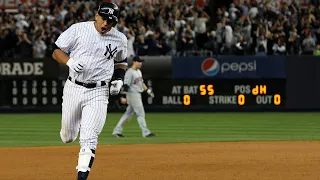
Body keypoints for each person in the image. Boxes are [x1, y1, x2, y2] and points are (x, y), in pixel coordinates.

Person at [51, 2, 128, 180]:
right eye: (104, 19)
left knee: (89, 138)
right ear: (96, 15)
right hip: (74, 87)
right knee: (67, 137)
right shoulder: (78, 30)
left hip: (99, 91)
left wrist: (118, 79)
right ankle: (71, 129)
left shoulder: (119, 39)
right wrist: (69, 61)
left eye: (111, 22)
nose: (106, 24)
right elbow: (56, 51)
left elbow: (121, 62)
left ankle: (82, 176)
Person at [112, 56, 156, 138]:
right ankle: (146, 132)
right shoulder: (130, 72)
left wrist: (148, 91)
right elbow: (126, 85)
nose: (140, 63)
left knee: (128, 114)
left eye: (141, 61)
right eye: (139, 61)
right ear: (134, 62)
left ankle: (116, 131)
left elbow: (141, 83)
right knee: (141, 113)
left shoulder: (138, 71)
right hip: (133, 94)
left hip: (137, 94)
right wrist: (123, 96)